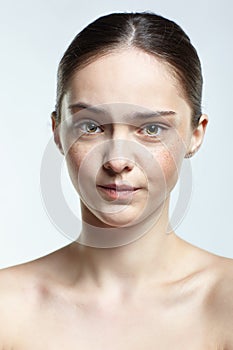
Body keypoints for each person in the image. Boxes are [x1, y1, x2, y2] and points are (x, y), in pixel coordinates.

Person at [0, 11, 232, 349]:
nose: (118, 161)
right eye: (91, 126)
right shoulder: (7, 310)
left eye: (152, 129)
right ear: (58, 132)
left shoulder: (225, 304)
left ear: (195, 135)